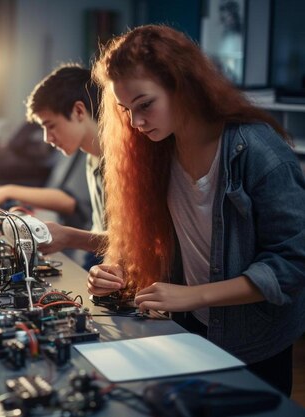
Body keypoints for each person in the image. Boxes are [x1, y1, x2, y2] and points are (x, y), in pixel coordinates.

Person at [89, 24, 305, 396]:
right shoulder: (156, 151)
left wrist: (193, 295)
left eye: (145, 105)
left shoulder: (259, 152)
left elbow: (291, 264)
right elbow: (156, 238)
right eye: (127, 111)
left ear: (182, 85)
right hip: (187, 329)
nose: (136, 123)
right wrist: (117, 269)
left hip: (254, 344)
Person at [0, 64, 107, 259]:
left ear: (79, 111)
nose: (46, 138)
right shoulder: (91, 158)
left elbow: (132, 245)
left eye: (51, 126)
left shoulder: (121, 162)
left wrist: (68, 237)